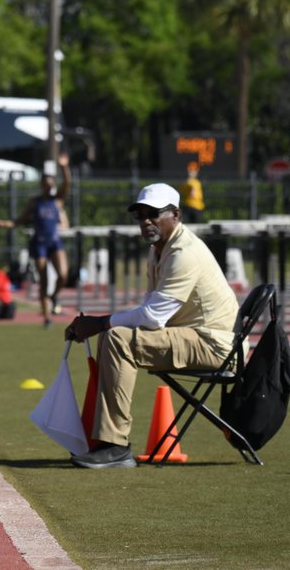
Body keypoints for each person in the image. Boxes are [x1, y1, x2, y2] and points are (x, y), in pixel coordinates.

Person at [64, 182, 238, 469]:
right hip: (200, 337)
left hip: (214, 345)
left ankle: (115, 446)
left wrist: (98, 323)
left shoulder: (184, 253)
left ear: (176, 214)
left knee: (117, 338)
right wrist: (99, 325)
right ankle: (110, 443)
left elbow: (154, 317)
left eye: (154, 213)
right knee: (114, 335)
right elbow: (150, 310)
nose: (146, 221)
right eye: (140, 215)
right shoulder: (160, 249)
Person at [0, 154, 71, 327]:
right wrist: (3, 223)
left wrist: (64, 167)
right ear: (42, 185)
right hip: (39, 243)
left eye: (51, 184)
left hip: (54, 242)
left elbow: (67, 184)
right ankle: (47, 317)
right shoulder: (34, 203)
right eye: (46, 184)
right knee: (43, 279)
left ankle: (55, 295)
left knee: (63, 275)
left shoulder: (57, 201)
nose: (49, 187)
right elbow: (19, 221)